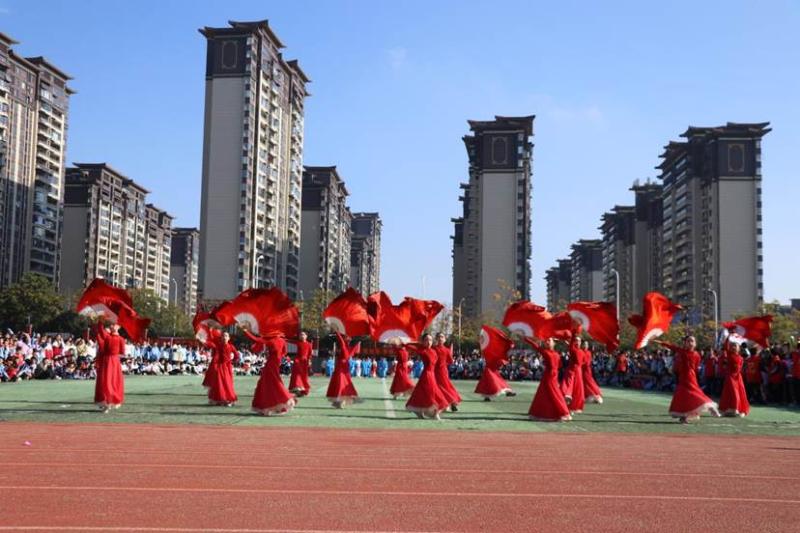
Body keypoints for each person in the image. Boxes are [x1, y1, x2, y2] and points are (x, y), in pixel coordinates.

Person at [657, 337, 720, 423]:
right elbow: (673, 347)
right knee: (683, 395)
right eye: (688, 341)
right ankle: (684, 416)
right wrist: (663, 343)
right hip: (682, 377)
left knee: (695, 393)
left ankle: (710, 407)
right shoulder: (682, 352)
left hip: (690, 377)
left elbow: (696, 368)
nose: (690, 343)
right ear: (685, 343)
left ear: (695, 344)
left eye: (692, 341)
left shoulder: (697, 355)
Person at [246, 330, 296, 416]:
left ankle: (269, 405)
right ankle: (277, 404)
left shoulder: (270, 340)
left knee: (267, 384)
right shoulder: (282, 341)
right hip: (275, 364)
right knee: (271, 383)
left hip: (271, 364)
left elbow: (256, 339)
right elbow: (284, 353)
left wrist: (246, 331)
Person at [524, 337, 571, 422]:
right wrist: (527, 339)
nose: (547, 342)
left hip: (553, 376)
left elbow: (560, 366)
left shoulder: (557, 354)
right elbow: (536, 347)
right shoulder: (545, 352)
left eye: (549, 340)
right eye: (546, 341)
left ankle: (564, 412)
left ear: (554, 343)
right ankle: (542, 414)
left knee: (554, 393)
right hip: (548, 376)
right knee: (544, 394)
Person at [404, 334, 450, 419]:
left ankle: (420, 412)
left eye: (430, 340)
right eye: (426, 340)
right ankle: (435, 413)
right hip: (427, 375)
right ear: (423, 342)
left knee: (421, 394)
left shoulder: (434, 351)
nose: (429, 342)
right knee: (433, 394)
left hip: (433, 375)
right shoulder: (422, 350)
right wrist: (409, 341)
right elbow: (408, 346)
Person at [93, 321, 126, 412]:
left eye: (114, 325)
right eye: (111, 325)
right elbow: (100, 330)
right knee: (107, 381)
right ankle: (106, 402)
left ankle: (111, 400)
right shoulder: (108, 336)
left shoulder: (119, 339)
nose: (112, 326)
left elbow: (122, 352)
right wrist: (100, 320)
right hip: (109, 361)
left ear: (118, 327)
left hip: (113, 361)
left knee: (112, 381)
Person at [326, 333, 360, 408]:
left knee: (342, 382)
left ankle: (340, 400)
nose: (348, 338)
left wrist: (337, 332)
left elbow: (342, 341)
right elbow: (341, 340)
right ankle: (338, 400)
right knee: (340, 382)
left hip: (343, 366)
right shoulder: (347, 346)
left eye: (349, 337)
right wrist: (338, 333)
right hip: (342, 366)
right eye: (346, 337)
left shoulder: (350, 347)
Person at [207, 331, 238, 407]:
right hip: (220, 367)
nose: (224, 337)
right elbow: (212, 341)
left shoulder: (231, 346)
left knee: (228, 383)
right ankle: (219, 399)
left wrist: (231, 361)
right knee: (219, 383)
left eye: (226, 336)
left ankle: (229, 399)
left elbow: (237, 356)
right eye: (223, 336)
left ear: (229, 338)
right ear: (221, 338)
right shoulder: (219, 346)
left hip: (227, 367)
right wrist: (210, 330)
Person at [718, 341, 749, 417]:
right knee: (732, 393)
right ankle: (732, 408)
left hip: (738, 377)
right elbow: (725, 345)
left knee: (740, 393)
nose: (733, 347)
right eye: (732, 346)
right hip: (730, 377)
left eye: (735, 346)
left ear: (739, 348)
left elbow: (740, 368)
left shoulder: (741, 358)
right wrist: (729, 335)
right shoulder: (729, 355)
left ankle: (738, 409)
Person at [433, 333, 462, 412]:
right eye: (438, 337)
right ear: (436, 339)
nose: (440, 338)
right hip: (434, 371)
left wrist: (443, 364)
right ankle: (440, 404)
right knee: (436, 388)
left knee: (446, 387)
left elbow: (450, 361)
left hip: (443, 371)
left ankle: (453, 402)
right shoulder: (433, 349)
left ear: (444, 339)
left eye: (442, 337)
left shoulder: (447, 350)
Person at [559, 334, 585, 414]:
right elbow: (570, 345)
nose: (577, 342)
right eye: (576, 340)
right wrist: (574, 332)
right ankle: (563, 406)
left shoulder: (582, 352)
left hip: (578, 371)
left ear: (581, 342)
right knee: (567, 388)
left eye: (579, 341)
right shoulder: (572, 349)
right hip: (571, 370)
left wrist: (579, 367)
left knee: (578, 390)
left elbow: (583, 362)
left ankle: (573, 407)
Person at [288, 332, 313, 397]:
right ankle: (297, 387)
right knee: (296, 374)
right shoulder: (298, 342)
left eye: (303, 335)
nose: (301, 336)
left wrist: (309, 361)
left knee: (304, 376)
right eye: (300, 335)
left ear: (306, 336)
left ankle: (302, 389)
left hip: (305, 362)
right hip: (298, 361)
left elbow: (310, 354)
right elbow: (290, 341)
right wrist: (282, 338)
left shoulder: (309, 344)